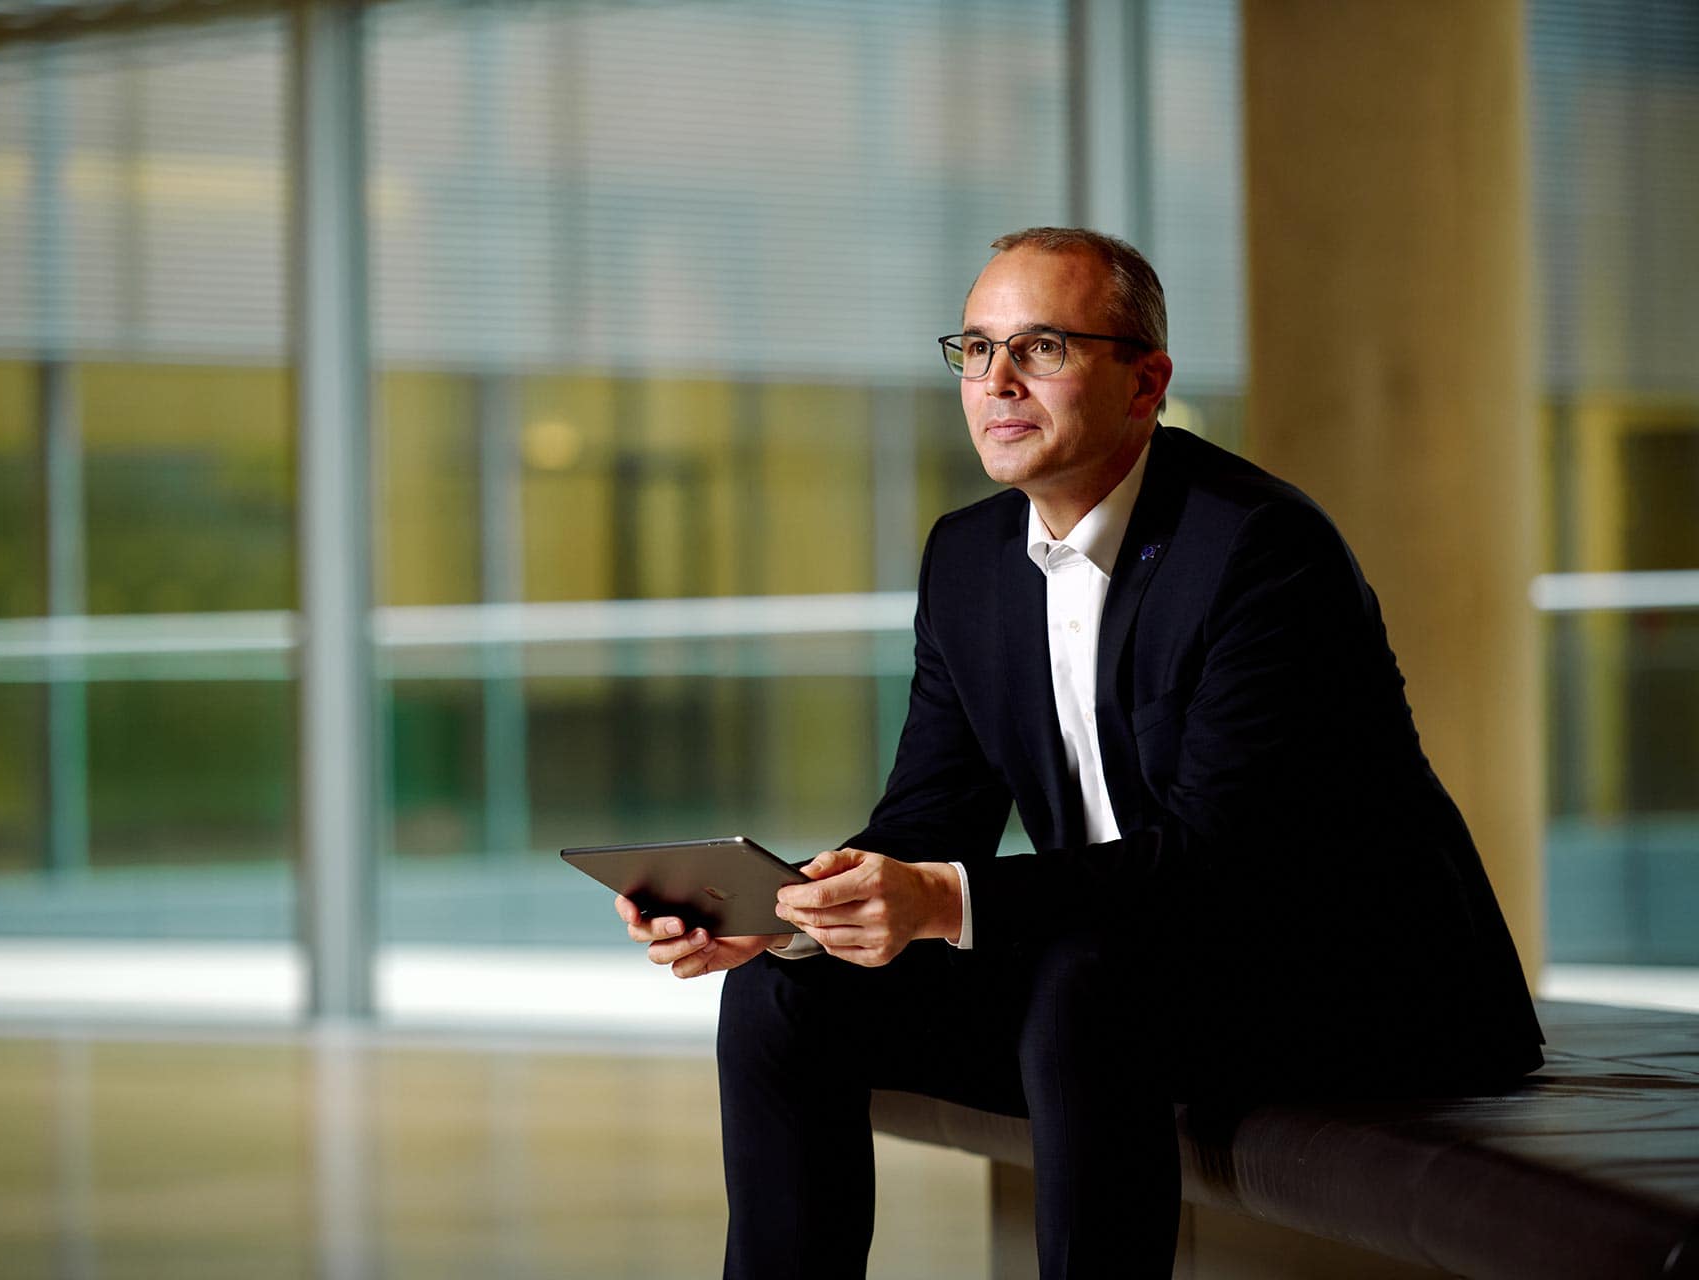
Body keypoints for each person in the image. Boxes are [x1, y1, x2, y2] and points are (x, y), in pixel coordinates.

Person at [615, 227, 1542, 1279]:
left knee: (1088, 983)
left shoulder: (1261, 551)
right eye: (975, 348)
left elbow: (1217, 862)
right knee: (789, 992)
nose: (997, 380)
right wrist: (787, 914)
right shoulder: (968, 556)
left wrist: (942, 899)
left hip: (1350, 987)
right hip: (1110, 975)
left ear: (1147, 383)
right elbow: (929, 817)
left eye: (1043, 348)